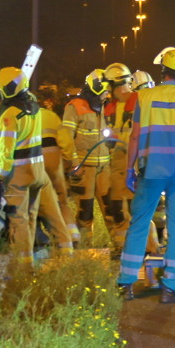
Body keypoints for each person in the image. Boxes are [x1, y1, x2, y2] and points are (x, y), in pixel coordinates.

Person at [116, 48, 175, 304]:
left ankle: (126, 283)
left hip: (150, 167)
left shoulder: (144, 97)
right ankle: (170, 287)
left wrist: (129, 169)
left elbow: (135, 136)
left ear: (162, 70)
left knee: (139, 223)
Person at [0, 67, 74, 263]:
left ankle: (23, 267)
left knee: (19, 220)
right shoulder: (34, 108)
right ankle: (66, 254)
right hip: (38, 171)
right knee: (32, 216)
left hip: (19, 175)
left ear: (8, 89)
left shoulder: (10, 114)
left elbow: (6, 150)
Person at [63, 70, 112, 240]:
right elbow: (66, 138)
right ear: (96, 88)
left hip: (105, 169)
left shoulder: (105, 106)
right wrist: (75, 165)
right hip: (84, 171)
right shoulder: (74, 107)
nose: (108, 93)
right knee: (85, 213)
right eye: (106, 90)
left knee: (112, 210)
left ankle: (121, 249)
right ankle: (85, 250)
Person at [100, 62, 138, 245]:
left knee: (137, 211)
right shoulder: (109, 108)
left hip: (135, 165)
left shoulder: (141, 101)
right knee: (117, 209)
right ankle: (121, 248)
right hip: (115, 166)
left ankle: (151, 248)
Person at [36, 83, 75, 234]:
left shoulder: (24, 117)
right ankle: (73, 234)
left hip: (35, 160)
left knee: (43, 200)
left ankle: (54, 234)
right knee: (62, 199)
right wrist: (69, 162)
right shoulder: (51, 116)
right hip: (54, 159)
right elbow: (66, 142)